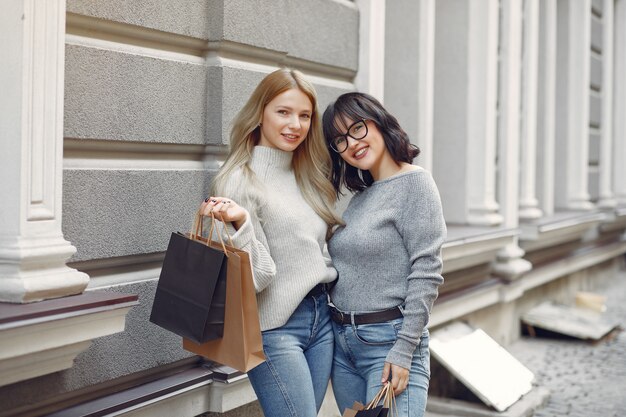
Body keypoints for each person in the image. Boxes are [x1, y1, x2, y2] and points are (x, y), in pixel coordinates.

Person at [200, 68, 342, 417]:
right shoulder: (238, 180)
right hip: (274, 328)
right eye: (283, 112)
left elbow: (316, 253)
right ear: (260, 113)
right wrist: (244, 224)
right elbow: (254, 278)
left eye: (305, 115)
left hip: (321, 318)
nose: (295, 124)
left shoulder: (307, 175)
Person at [322, 92, 446, 416]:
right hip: (344, 346)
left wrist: (404, 350)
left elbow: (427, 270)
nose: (351, 143)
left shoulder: (415, 184)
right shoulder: (360, 200)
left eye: (357, 128)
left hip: (389, 343)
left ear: (377, 122)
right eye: (340, 139)